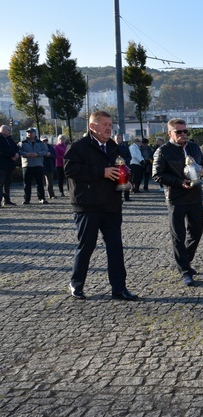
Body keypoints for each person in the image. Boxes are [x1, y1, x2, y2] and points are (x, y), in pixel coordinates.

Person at [63, 110, 138, 301]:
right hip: (87, 205)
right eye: (104, 124)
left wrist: (126, 182)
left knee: (115, 247)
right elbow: (70, 169)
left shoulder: (113, 146)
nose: (109, 128)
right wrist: (101, 172)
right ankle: (77, 284)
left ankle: (119, 288)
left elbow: (122, 168)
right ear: (92, 127)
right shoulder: (78, 146)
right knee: (86, 246)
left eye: (110, 124)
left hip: (112, 204)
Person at [152, 118, 203, 287]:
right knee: (178, 235)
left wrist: (202, 171)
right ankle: (184, 270)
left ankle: (185, 261)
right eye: (179, 132)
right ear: (170, 133)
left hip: (195, 196)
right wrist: (178, 182)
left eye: (185, 131)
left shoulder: (194, 147)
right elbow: (157, 175)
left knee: (196, 232)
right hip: (175, 198)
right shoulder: (162, 151)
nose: (183, 134)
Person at [18, 128, 49, 205]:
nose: (29, 134)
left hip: (38, 164)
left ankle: (42, 198)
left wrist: (38, 154)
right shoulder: (22, 143)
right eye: (28, 133)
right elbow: (18, 151)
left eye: (31, 132)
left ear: (35, 134)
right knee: (26, 184)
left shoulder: (40, 143)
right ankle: (27, 199)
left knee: (40, 183)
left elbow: (45, 151)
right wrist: (26, 154)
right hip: (27, 165)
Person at [0, 124, 20, 206]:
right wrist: (12, 155)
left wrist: (17, 154)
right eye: (8, 130)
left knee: (7, 184)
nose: (9, 131)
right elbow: (2, 150)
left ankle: (7, 200)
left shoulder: (9, 139)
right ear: (3, 130)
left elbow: (16, 148)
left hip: (9, 165)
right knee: (0, 184)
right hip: (1, 165)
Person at [114, 134, 131, 201]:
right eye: (117, 138)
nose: (118, 140)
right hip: (115, 168)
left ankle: (127, 197)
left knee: (126, 182)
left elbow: (129, 157)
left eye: (119, 138)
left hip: (125, 167)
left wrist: (124, 160)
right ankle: (118, 197)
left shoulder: (125, 147)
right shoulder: (111, 147)